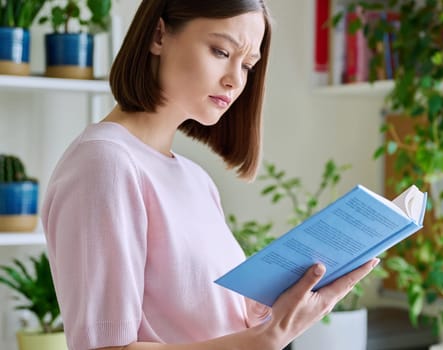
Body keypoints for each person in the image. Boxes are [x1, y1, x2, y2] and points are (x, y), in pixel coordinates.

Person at [41, 0, 380, 349]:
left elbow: (219, 325)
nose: (235, 79)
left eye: (248, 65)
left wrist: (283, 311)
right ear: (158, 35)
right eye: (221, 51)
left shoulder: (196, 180)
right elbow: (105, 347)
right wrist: (262, 340)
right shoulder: (106, 162)